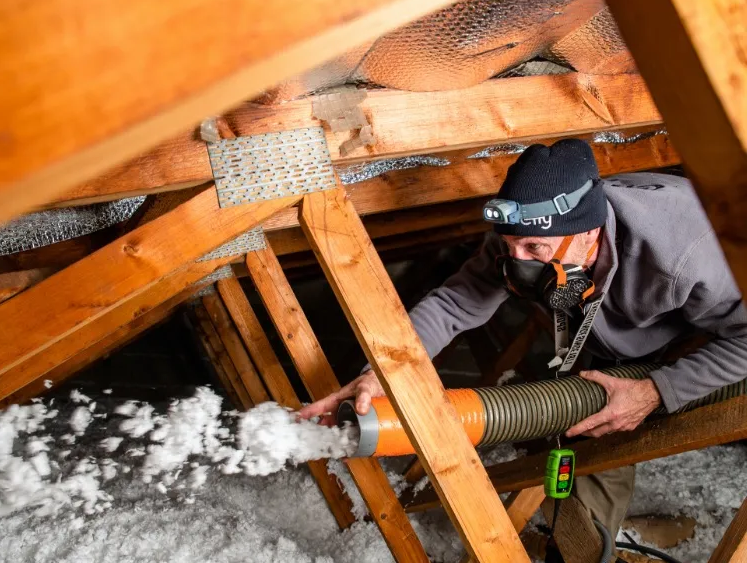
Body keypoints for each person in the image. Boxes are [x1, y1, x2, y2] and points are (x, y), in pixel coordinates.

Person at [300, 138, 747, 537]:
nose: (517, 261)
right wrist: (386, 372)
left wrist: (656, 390)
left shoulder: (687, 257)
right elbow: (457, 302)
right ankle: (570, 545)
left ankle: (591, 558)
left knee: (627, 414)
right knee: (585, 421)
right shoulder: (524, 237)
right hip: (616, 318)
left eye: (535, 250)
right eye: (510, 245)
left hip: (719, 305)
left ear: (588, 232)